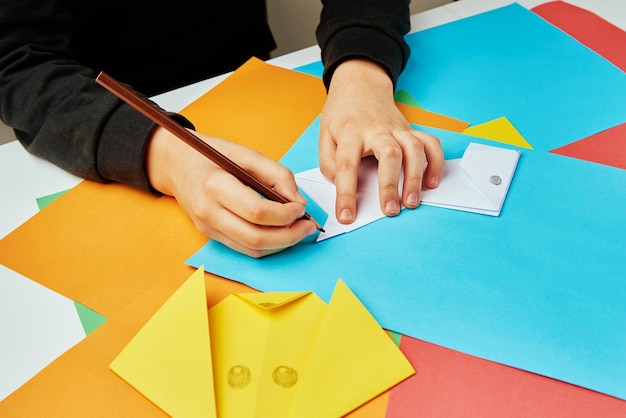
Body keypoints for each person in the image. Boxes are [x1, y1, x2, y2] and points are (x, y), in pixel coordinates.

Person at [0, 0, 443, 258]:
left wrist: (361, 72)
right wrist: (167, 153)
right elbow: (17, 62)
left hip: (247, 67)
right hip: (93, 113)